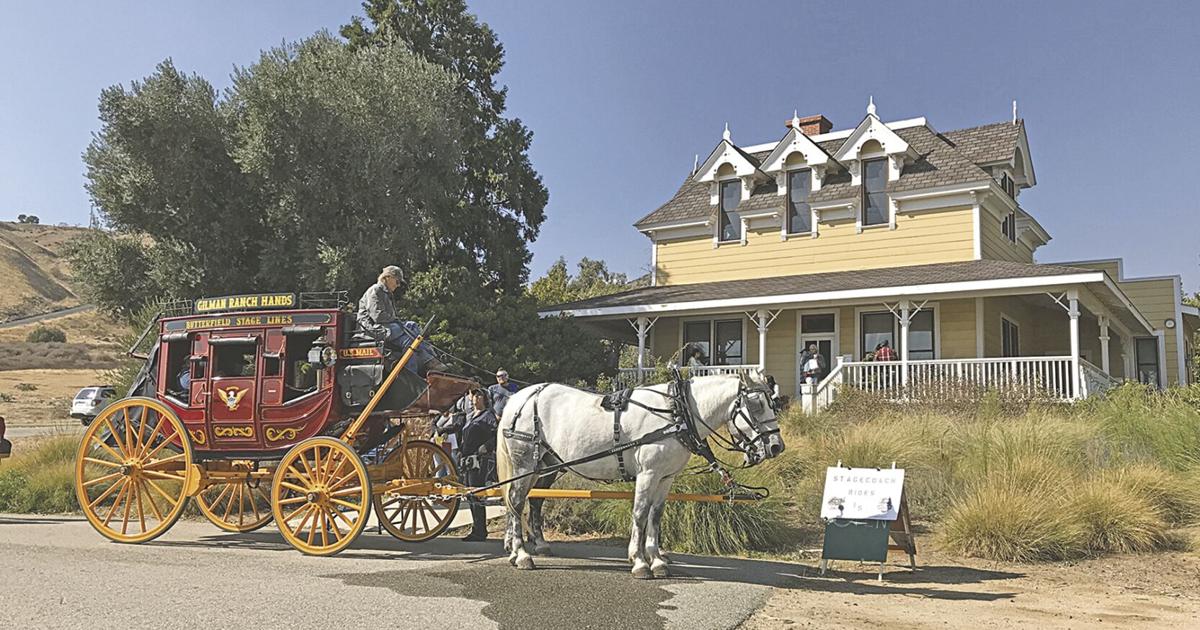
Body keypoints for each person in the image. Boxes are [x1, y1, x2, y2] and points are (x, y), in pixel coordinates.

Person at [357, 265, 445, 375]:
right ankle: (415, 371)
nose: (398, 285)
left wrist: (396, 321)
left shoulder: (387, 294)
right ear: (387, 277)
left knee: (412, 326)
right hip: (372, 330)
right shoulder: (375, 290)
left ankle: (430, 359)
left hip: (386, 327)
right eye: (397, 281)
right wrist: (396, 320)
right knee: (409, 340)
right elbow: (378, 316)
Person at [457, 388, 497, 541]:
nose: (475, 397)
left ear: (484, 398)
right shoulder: (469, 416)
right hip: (468, 460)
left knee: (477, 494)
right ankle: (477, 528)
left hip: (480, 460)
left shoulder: (488, 416)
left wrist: (486, 446)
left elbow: (496, 435)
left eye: (478, 394)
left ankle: (480, 531)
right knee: (470, 495)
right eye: (473, 394)